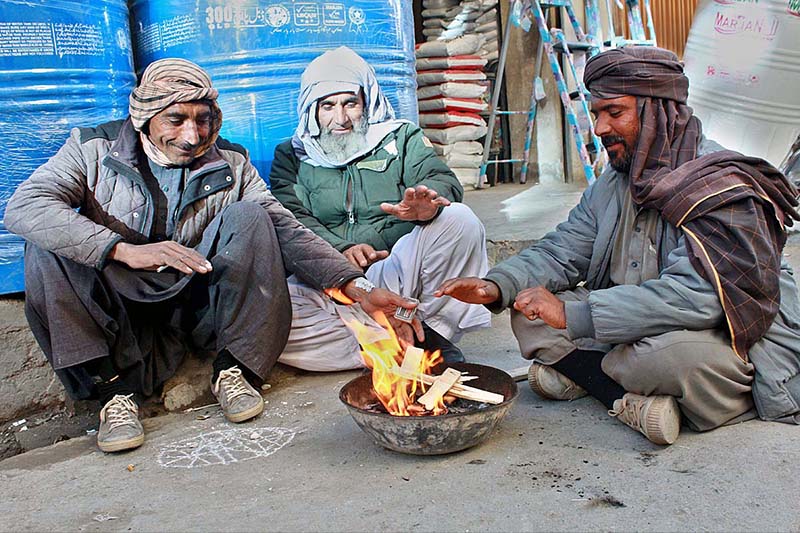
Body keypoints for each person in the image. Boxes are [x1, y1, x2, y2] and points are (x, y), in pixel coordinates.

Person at [5, 58, 419, 453]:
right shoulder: (92, 148)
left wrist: (356, 286)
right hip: (121, 304)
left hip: (197, 305)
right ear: (145, 117)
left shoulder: (232, 161)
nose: (192, 135)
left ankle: (234, 369)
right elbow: (26, 207)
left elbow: (284, 228)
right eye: (176, 120)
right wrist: (123, 250)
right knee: (45, 243)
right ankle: (112, 394)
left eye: (202, 119)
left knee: (253, 216)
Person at [437, 46, 800, 445]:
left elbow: (697, 298)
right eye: (596, 114)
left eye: (614, 112)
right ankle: (623, 395)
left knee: (660, 358)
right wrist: (497, 285)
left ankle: (592, 376)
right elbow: (564, 249)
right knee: (527, 313)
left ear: (659, 111)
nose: (600, 128)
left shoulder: (719, 184)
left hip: (719, 333)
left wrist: (576, 316)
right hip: (626, 321)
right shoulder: (616, 181)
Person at [269, 46, 491, 371]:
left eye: (350, 103)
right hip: (332, 283)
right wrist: (341, 250)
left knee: (460, 220)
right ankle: (390, 346)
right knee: (269, 315)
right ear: (311, 109)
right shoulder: (292, 155)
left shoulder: (399, 138)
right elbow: (292, 219)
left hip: (396, 272)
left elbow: (439, 178)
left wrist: (428, 204)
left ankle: (430, 334)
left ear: (367, 101)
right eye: (327, 106)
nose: (340, 119)